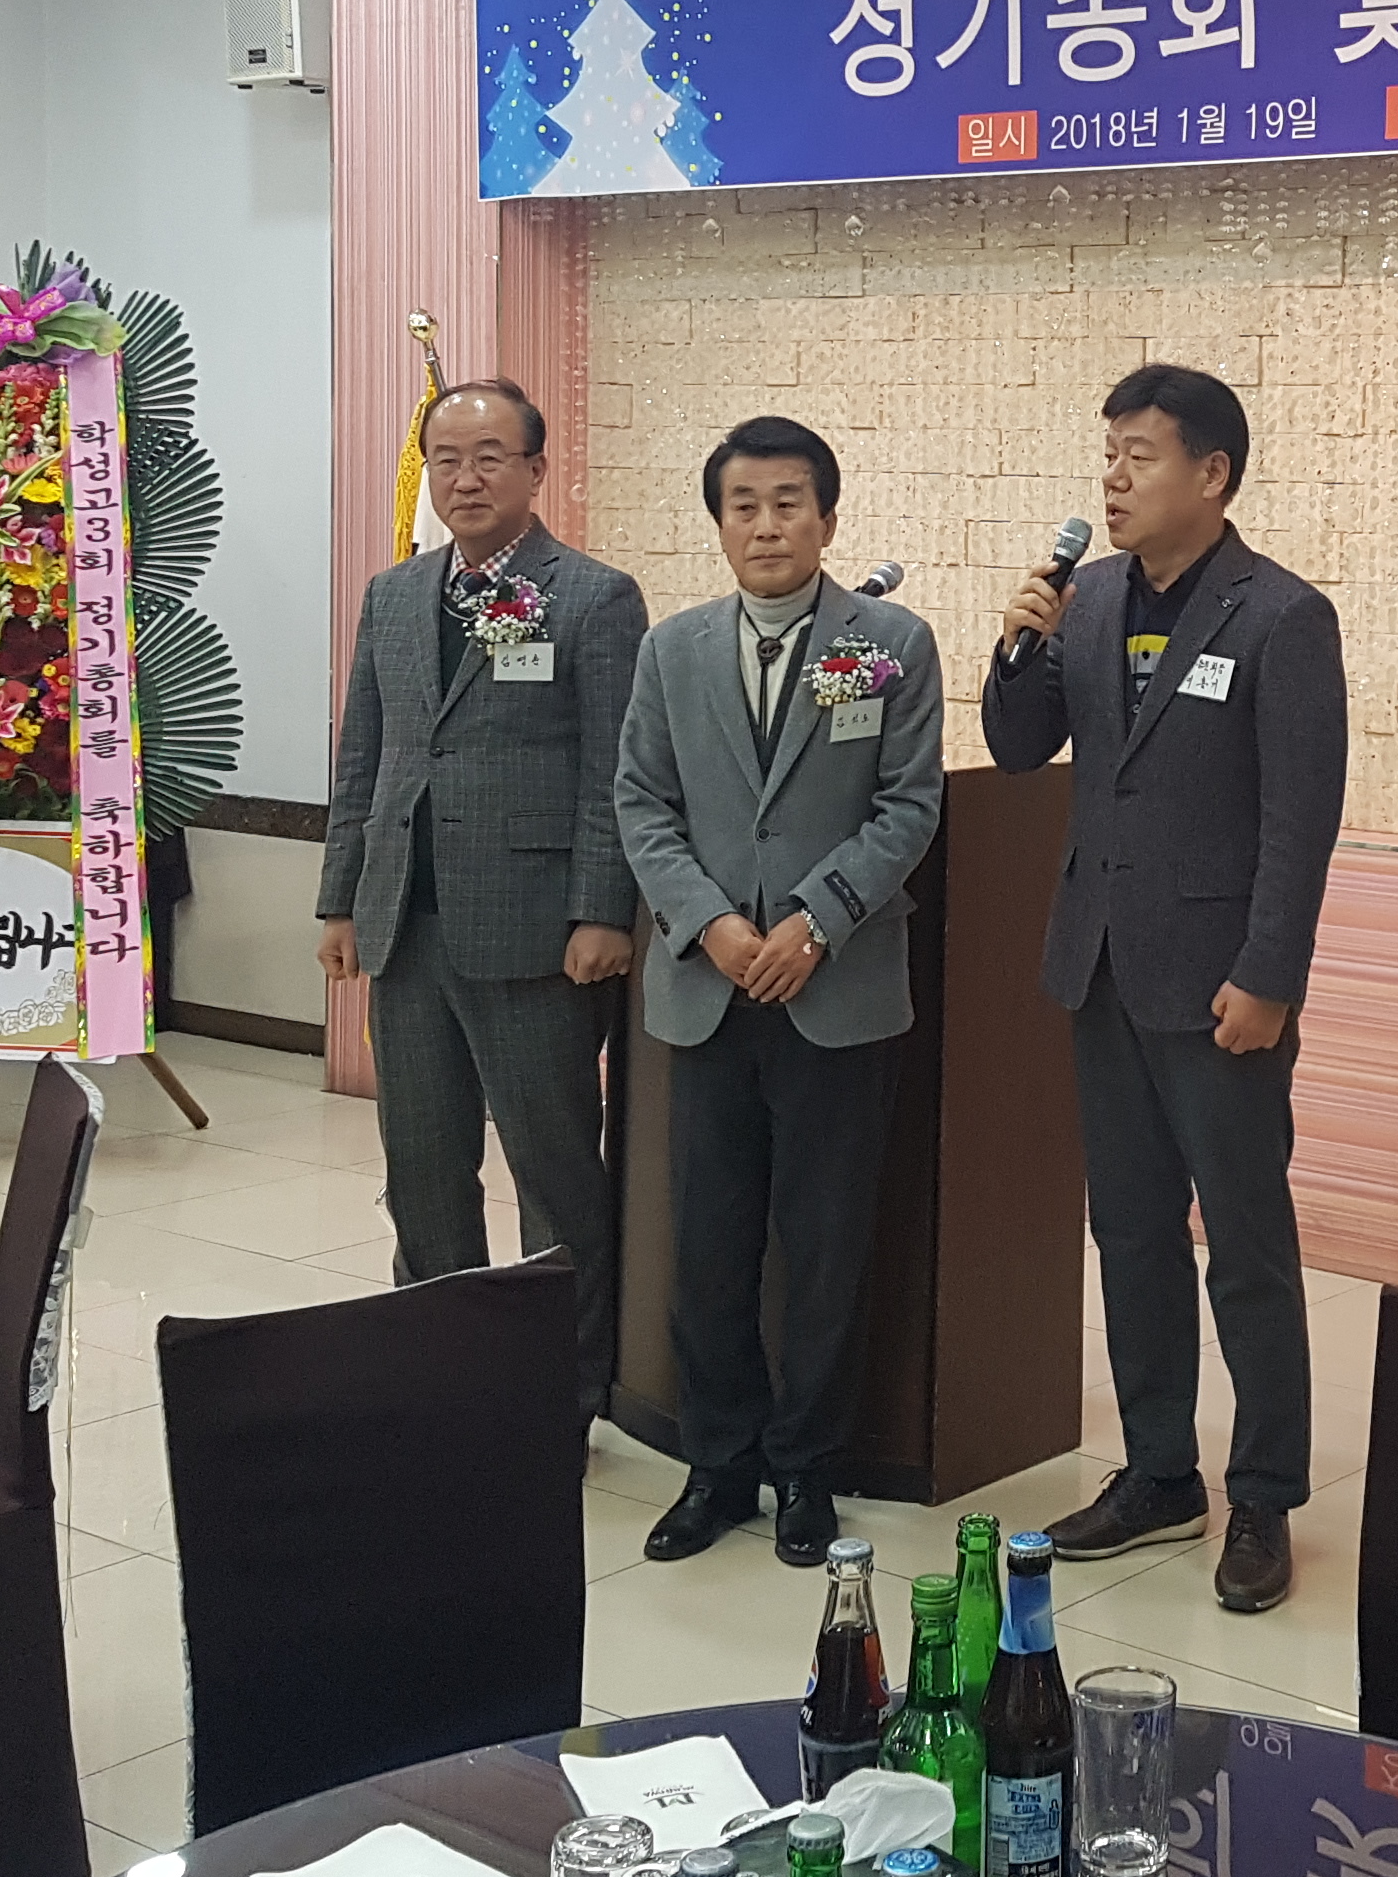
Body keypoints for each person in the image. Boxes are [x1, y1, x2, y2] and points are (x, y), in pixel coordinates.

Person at [981, 362, 1346, 1615]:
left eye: (1140, 456)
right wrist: (1017, 645)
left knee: (1245, 1247)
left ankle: (1265, 1493)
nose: (1115, 478)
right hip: (1100, 965)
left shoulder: (1281, 616)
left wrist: (1270, 974)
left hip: (1221, 985)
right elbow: (1022, 748)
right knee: (1130, 1233)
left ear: (1213, 473)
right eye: (1109, 455)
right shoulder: (1085, 603)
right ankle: (1157, 1473)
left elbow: (1301, 819)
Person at [614, 415, 947, 1568]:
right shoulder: (672, 650)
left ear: (828, 518)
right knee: (709, 1245)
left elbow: (909, 805)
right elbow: (641, 803)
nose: (766, 525)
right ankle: (718, 1464)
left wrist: (816, 920)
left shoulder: (891, 643)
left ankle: (808, 1468)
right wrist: (709, 922)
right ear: (718, 523)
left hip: (836, 993)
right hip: (707, 991)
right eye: (744, 505)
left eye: (788, 503)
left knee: (826, 1246)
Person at [315, 377, 646, 1423]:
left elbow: (614, 770)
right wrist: (339, 901)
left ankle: (564, 1392)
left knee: (555, 1174)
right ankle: (443, 1372)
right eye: (447, 459)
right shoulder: (394, 594)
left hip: (536, 930)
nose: (465, 478)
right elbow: (365, 753)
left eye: (490, 457)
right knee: (422, 1169)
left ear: (536, 470)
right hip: (404, 925)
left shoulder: (594, 597)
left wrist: (603, 910)